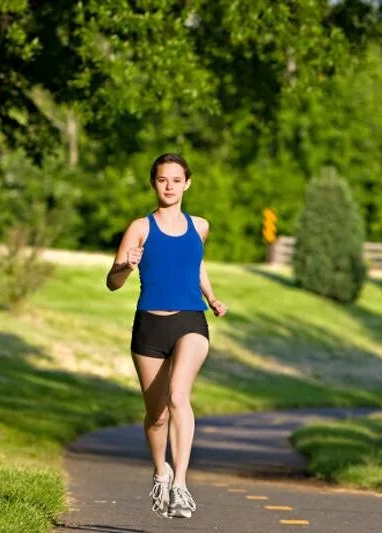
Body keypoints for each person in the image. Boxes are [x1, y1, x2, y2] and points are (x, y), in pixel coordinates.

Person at [106, 153, 227, 519]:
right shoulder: (140, 228)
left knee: (178, 396)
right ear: (154, 183)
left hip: (191, 320)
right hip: (150, 325)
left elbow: (196, 262)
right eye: (162, 180)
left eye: (176, 179)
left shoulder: (200, 226)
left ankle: (181, 486)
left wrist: (210, 295)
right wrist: (126, 267)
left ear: (187, 183)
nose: (170, 186)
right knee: (156, 414)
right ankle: (162, 471)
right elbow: (111, 283)